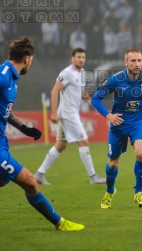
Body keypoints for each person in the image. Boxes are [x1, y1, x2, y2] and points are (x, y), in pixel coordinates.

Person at [0, 37, 84, 231]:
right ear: (27, 59)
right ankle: (59, 222)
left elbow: (5, 110)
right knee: (29, 182)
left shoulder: (12, 77)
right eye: (32, 59)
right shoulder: (1, 75)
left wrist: (23, 128)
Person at [91, 48, 142, 209]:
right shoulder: (115, 80)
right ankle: (109, 191)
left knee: (140, 153)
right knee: (113, 163)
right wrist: (109, 116)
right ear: (126, 63)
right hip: (118, 123)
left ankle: (139, 192)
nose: (137, 64)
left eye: (139, 61)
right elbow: (95, 99)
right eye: (133, 61)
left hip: (138, 121)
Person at [34, 48, 106, 185]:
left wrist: (94, 105)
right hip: (68, 114)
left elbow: (82, 92)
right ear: (72, 58)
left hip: (71, 114)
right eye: (78, 57)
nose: (81, 59)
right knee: (84, 142)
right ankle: (93, 177)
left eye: (83, 57)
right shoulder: (66, 73)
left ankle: (39, 174)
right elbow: (54, 91)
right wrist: (53, 112)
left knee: (60, 145)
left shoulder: (83, 73)